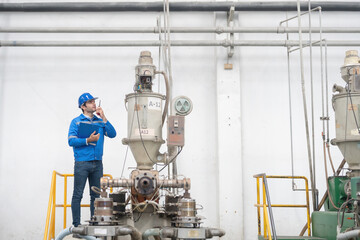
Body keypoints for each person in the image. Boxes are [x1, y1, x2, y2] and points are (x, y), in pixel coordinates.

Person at [68, 92, 116, 227]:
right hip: (82, 163)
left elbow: (113, 134)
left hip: (97, 163)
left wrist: (104, 117)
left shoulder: (100, 121)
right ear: (83, 106)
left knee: (96, 196)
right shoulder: (76, 121)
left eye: (94, 101)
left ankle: (94, 224)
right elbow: (71, 141)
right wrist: (87, 140)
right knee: (77, 195)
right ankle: (76, 225)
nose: (94, 104)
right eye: (90, 102)